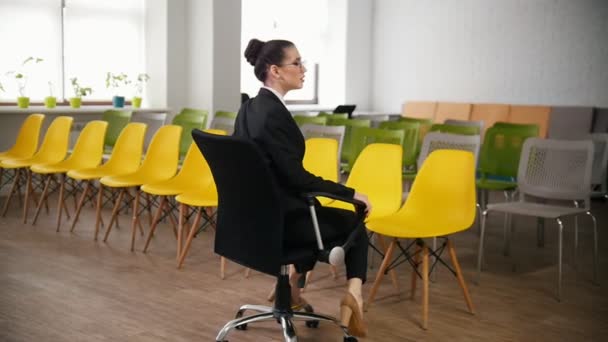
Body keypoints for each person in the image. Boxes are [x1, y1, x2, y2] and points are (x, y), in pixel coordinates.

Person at [233, 38, 371, 337]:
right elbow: (297, 179)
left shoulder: (249, 109)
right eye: (296, 63)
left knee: (317, 216)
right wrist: (350, 194)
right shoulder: (273, 115)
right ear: (276, 71)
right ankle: (354, 295)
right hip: (279, 223)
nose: (303, 68)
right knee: (355, 220)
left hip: (250, 223)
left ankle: (292, 288)